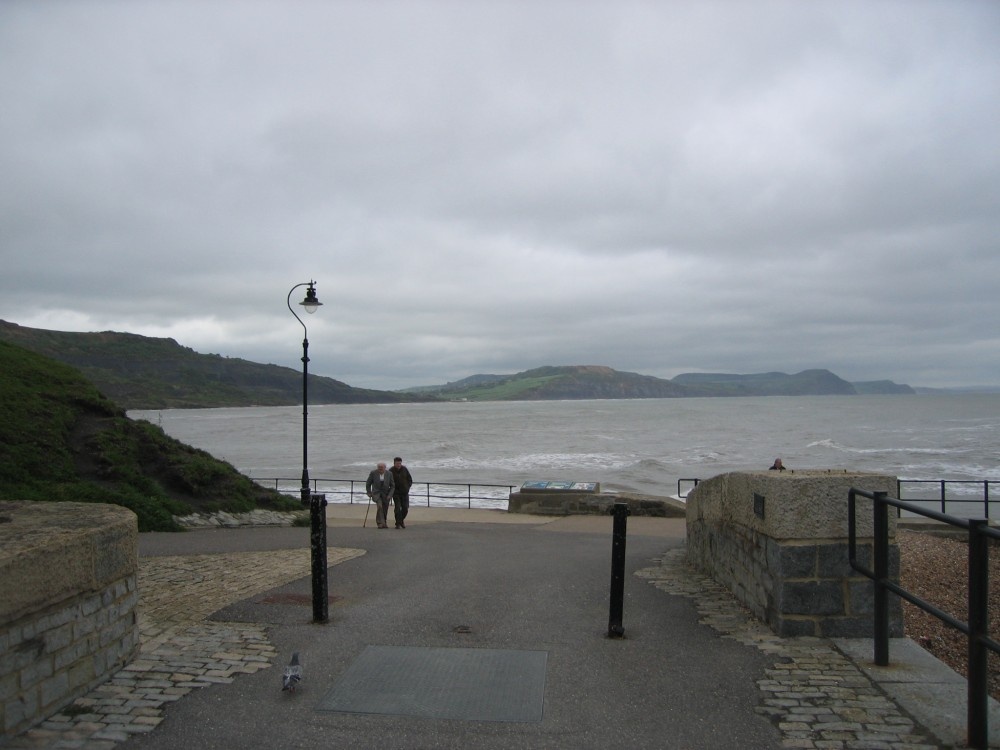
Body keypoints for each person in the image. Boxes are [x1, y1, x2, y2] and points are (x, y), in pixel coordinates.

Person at [366, 462, 395, 529]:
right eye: (379, 468)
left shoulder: (389, 474)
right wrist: (369, 492)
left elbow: (393, 486)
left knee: (385, 508)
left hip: (386, 494)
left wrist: (390, 495)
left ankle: (384, 522)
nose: (380, 469)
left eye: (382, 468)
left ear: (385, 468)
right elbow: (368, 483)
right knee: (380, 506)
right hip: (376, 493)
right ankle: (380, 523)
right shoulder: (373, 473)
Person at [390, 456, 413, 529]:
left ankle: (400, 521)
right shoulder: (391, 471)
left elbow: (409, 479)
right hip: (396, 493)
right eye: (397, 463)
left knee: (405, 508)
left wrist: (408, 487)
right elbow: (388, 482)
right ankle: (398, 523)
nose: (398, 465)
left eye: (400, 463)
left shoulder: (404, 469)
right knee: (397, 508)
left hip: (404, 492)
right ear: (394, 463)